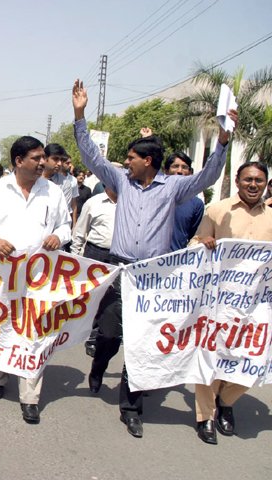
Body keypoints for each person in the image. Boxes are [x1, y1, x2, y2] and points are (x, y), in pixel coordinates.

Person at [71, 78, 236, 439]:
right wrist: (79, 115)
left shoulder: (175, 187)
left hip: (155, 277)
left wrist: (222, 143)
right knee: (111, 335)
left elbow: (209, 174)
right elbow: (91, 157)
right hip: (120, 271)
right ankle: (99, 366)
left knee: (142, 341)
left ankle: (131, 407)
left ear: (148, 161)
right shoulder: (120, 180)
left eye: (131, 157)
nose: (125, 162)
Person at [0, 136, 71, 424]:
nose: (43, 162)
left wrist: (60, 236)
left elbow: (66, 224)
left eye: (43, 157)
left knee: (36, 331)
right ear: (19, 161)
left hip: (40, 276)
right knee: (2, 324)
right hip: (3, 275)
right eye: (36, 157)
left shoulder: (53, 192)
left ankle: (30, 396)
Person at [189, 161, 272, 445]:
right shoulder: (218, 210)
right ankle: (206, 416)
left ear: (265, 184)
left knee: (253, 359)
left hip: (255, 307)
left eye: (259, 181)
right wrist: (204, 242)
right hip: (217, 302)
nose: (253, 185)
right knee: (211, 356)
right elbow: (194, 245)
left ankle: (226, 401)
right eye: (248, 179)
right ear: (237, 181)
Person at [70, 187, 117, 358]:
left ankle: (98, 335)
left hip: (118, 257)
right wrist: (75, 258)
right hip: (95, 254)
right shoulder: (94, 203)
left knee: (111, 299)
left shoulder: (130, 203)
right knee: (93, 296)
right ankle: (87, 333)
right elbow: (80, 232)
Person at [164, 152, 204, 251]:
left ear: (190, 172)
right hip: (147, 261)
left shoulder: (196, 204)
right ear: (166, 171)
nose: (180, 171)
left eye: (184, 167)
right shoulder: (152, 196)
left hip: (174, 262)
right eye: (175, 166)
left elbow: (193, 238)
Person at [45, 144, 79, 228]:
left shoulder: (65, 183)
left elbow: (64, 210)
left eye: (61, 160)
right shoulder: (32, 179)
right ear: (45, 158)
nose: (59, 163)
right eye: (55, 159)